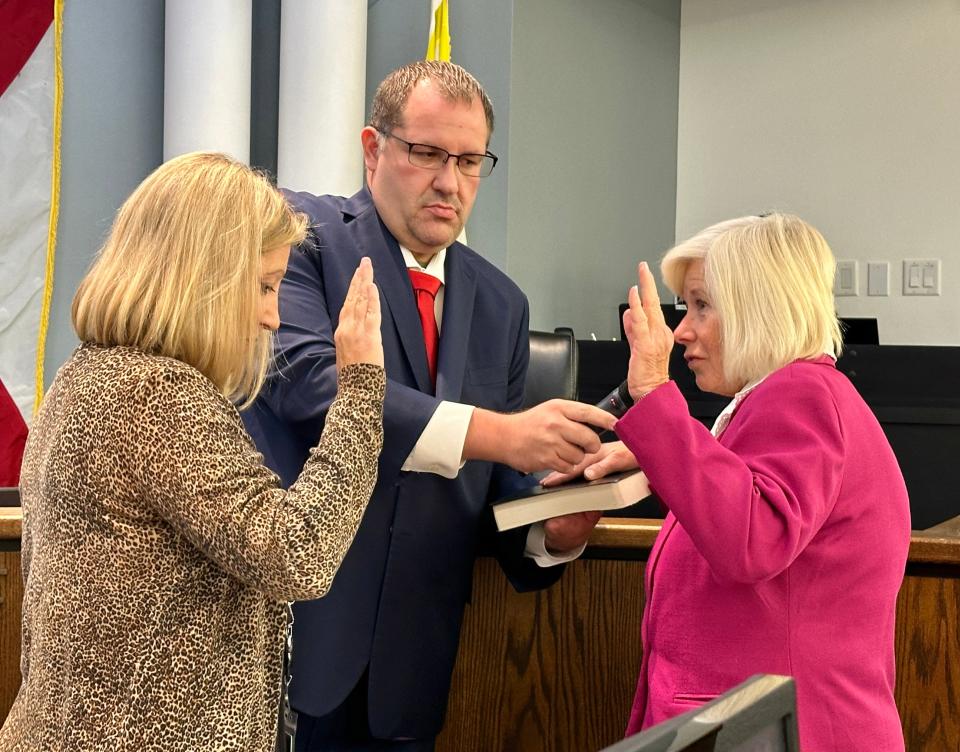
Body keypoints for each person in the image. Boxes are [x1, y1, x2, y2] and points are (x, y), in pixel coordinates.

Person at [242, 60, 616, 751]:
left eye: (470, 161)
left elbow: (496, 482)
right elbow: (310, 388)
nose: (449, 182)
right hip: (293, 640)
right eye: (427, 153)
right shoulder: (302, 239)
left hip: (416, 664)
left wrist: (554, 526)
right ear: (373, 147)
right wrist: (502, 435)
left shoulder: (502, 304)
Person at [0, 152, 386, 752]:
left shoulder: (93, 374)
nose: (271, 316)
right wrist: (360, 387)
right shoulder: (156, 395)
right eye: (262, 285)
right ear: (200, 276)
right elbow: (296, 553)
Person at [548, 214, 911, 751]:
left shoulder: (800, 394)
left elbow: (750, 542)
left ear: (756, 306)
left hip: (781, 729)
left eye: (701, 305)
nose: (681, 331)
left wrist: (653, 392)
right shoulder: (784, 397)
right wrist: (663, 453)